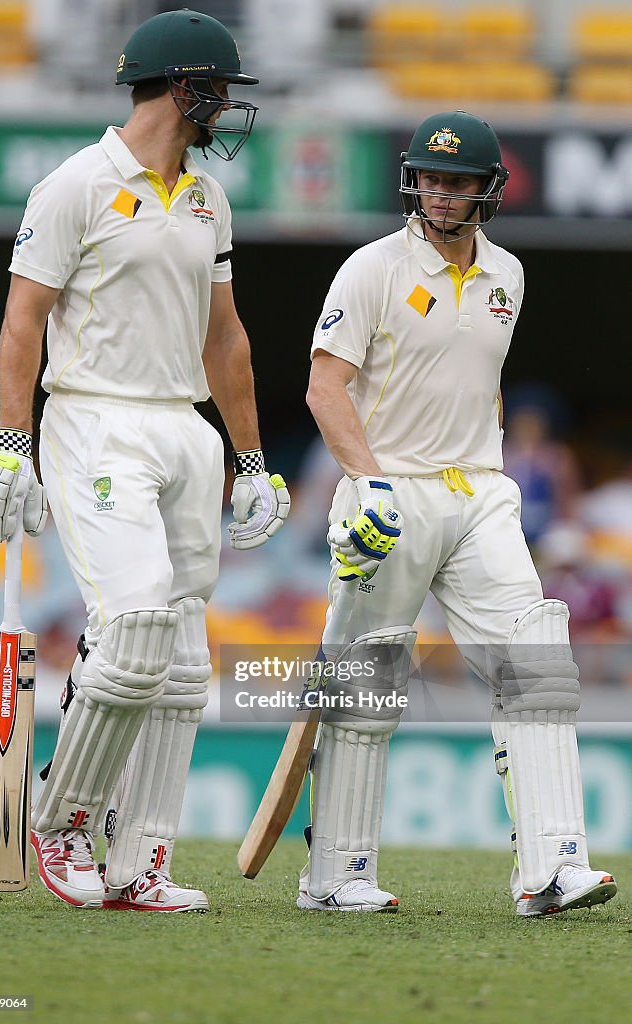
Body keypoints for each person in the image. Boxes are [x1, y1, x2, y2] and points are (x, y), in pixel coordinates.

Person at [0, 8, 289, 913]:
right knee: (138, 621)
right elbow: (22, 321)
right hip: (95, 420)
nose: (227, 107)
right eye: (219, 90)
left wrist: (252, 459)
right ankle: (63, 821)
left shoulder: (206, 197)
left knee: (184, 663)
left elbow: (225, 336)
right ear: (184, 86)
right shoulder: (75, 185)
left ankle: (139, 859)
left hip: (183, 427)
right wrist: (13, 443)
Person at [301, 110, 616, 916]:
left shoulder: (507, 275)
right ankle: (335, 874)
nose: (440, 193)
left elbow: (478, 380)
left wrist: (487, 460)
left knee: (535, 666)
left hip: (478, 490)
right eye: (429, 178)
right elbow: (324, 388)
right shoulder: (369, 269)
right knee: (367, 680)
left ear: (488, 190)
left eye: (457, 181)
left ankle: (551, 869)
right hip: (389, 491)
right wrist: (366, 484)